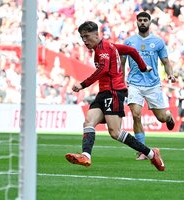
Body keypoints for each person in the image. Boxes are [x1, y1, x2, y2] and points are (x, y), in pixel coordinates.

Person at [65, 21, 165, 171]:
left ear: (96, 34)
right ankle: (86, 155)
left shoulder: (103, 49)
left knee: (115, 132)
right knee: (88, 122)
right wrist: (143, 67)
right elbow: (131, 51)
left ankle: (151, 153)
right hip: (103, 93)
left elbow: (104, 69)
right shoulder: (109, 46)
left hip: (113, 92)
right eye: (82, 37)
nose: (84, 41)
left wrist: (83, 84)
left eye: (86, 36)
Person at [120, 11, 176, 160]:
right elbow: (122, 64)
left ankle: (168, 116)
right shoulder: (128, 42)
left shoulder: (158, 42)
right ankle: (142, 151)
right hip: (134, 84)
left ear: (149, 22)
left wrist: (170, 74)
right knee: (136, 115)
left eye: (145, 20)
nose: (143, 22)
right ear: (136, 22)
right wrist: (121, 82)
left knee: (162, 118)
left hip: (152, 84)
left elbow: (166, 62)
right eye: (140, 20)